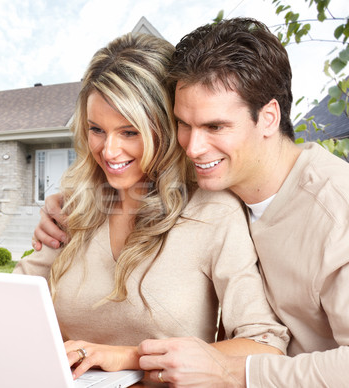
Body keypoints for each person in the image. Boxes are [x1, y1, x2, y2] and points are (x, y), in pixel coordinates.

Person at [36, 18, 349, 387]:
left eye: (215, 127)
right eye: (184, 123)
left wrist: (136, 357)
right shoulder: (221, 187)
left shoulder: (333, 209)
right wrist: (73, 201)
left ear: (268, 117)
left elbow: (264, 342)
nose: (193, 147)